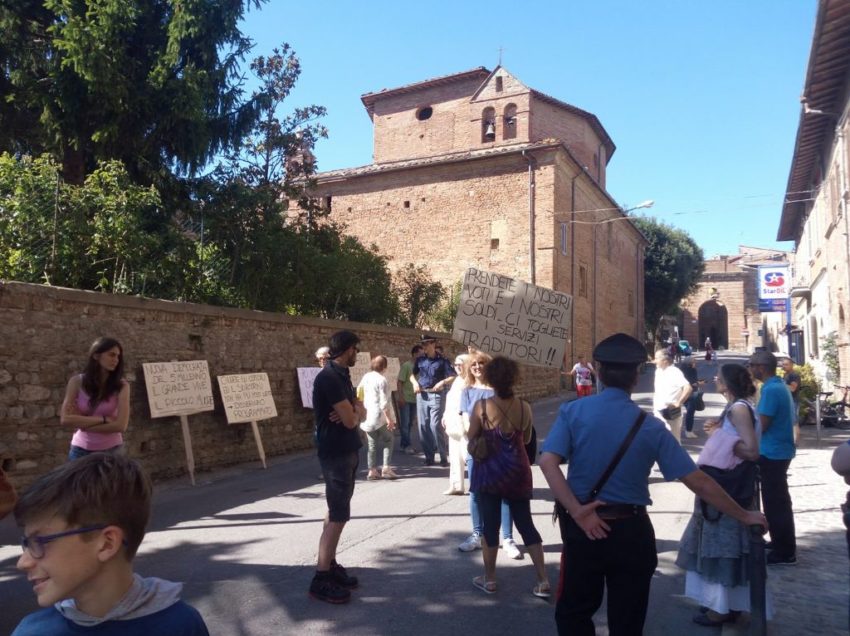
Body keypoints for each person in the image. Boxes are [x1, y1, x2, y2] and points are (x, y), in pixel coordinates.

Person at [539, 333, 767, 636]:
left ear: (599, 371)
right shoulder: (651, 428)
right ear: (636, 376)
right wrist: (746, 515)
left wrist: (578, 511)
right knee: (628, 618)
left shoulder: (572, 411)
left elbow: (547, 462)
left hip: (583, 528)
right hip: (630, 531)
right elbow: (698, 481)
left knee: (574, 612)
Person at [12, 453, 209, 635]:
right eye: (26, 544)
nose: (23, 562)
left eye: (38, 542)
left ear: (107, 544)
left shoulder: (181, 626)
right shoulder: (32, 631)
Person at [676, 363, 771, 627]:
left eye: (719, 376)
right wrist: (719, 432)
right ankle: (728, 604)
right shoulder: (736, 407)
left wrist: (721, 438)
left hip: (728, 487)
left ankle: (721, 608)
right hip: (727, 484)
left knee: (723, 546)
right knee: (724, 546)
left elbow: (752, 451)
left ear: (727, 384)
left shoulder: (739, 408)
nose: (715, 378)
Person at [467, 356, 550, 598]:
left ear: (490, 378)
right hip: (517, 470)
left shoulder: (481, 407)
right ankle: (543, 580)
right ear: (514, 378)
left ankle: (490, 579)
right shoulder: (525, 406)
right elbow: (525, 440)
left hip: (489, 472)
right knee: (525, 523)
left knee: (489, 526)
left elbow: (471, 435)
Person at [310, 330, 367, 604]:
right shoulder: (330, 378)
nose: (357, 353)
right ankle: (321, 577)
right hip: (336, 453)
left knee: (336, 511)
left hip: (347, 451)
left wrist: (354, 409)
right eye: (356, 348)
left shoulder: (342, 374)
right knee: (339, 514)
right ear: (347, 349)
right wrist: (354, 412)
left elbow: (359, 410)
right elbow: (350, 419)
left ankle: (329, 564)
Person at [457, 351, 521, 560]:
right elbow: (466, 420)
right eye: (473, 364)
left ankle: (508, 538)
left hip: (501, 450)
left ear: (489, 366)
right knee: (476, 492)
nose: (477, 367)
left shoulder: (499, 390)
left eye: (481, 363)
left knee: (504, 493)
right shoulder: (466, 391)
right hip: (479, 449)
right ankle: (477, 533)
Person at [749, 350, 798, 566]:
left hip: (773, 453)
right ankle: (780, 542)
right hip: (779, 451)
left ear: (761, 366)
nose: (750, 369)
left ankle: (784, 551)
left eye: (752, 365)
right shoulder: (777, 386)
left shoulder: (771, 390)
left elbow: (763, 424)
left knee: (776, 503)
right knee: (777, 501)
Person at [61, 337, 130, 461]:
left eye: (118, 356)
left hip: (112, 451)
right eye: (111, 355)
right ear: (96, 356)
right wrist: (103, 419)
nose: (116, 360)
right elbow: (66, 419)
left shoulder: (122, 386)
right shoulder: (76, 382)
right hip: (80, 450)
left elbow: (120, 426)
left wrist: (82, 423)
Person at [411, 335, 456, 467]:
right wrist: (414, 383)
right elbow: (412, 374)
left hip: (436, 394)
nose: (424, 347)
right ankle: (429, 457)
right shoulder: (420, 360)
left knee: (435, 425)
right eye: (423, 344)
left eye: (426, 344)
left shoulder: (442, 360)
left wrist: (442, 382)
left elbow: (452, 376)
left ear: (433, 344)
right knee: (423, 426)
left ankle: (443, 456)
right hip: (422, 394)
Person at [358, 355, 398, 481]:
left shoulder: (366, 377)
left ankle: (372, 470)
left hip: (368, 414)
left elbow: (359, 392)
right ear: (385, 367)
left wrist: (362, 406)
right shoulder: (382, 380)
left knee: (372, 444)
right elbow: (384, 402)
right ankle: (386, 468)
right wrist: (389, 419)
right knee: (389, 439)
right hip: (379, 416)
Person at [442, 354, 469, 495]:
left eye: (461, 364)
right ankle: (456, 485)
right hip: (453, 424)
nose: (458, 367)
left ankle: (478, 484)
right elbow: (451, 401)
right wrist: (445, 415)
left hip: (465, 426)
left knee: (468, 457)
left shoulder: (470, 381)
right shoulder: (457, 380)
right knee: (454, 457)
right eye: (456, 364)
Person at [653, 348, 692, 442]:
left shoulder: (674, 372)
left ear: (665, 360)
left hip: (671, 413)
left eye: (657, 358)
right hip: (658, 411)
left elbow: (688, 388)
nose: (654, 361)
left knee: (673, 442)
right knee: (660, 441)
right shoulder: (658, 371)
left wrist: (678, 403)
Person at [396, 345, 423, 455]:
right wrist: (400, 396)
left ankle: (404, 444)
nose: (422, 355)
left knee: (410, 423)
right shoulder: (407, 366)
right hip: (406, 398)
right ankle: (407, 445)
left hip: (416, 398)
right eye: (421, 353)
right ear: (415, 354)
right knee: (405, 423)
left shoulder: (421, 366)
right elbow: (399, 382)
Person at [313, 346, 331, 480]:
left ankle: (330, 470)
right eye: (320, 359)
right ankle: (326, 470)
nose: (323, 361)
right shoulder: (317, 374)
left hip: (332, 416)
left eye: (325, 358)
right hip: (320, 416)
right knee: (321, 444)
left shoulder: (336, 374)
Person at [677, 356, 703, 439]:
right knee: (690, 411)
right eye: (694, 362)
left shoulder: (692, 370)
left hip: (689, 392)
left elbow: (694, 381)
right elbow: (690, 383)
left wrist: (698, 382)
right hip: (688, 393)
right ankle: (688, 431)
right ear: (689, 363)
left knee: (690, 412)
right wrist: (699, 383)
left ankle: (689, 430)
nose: (696, 363)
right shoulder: (686, 371)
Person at [779, 354, 801, 438]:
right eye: (783, 364)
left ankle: (795, 440)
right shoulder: (786, 375)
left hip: (793, 400)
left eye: (786, 364)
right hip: (787, 400)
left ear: (791, 365)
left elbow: (793, 388)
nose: (784, 366)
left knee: (794, 421)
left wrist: (781, 384)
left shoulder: (794, 375)